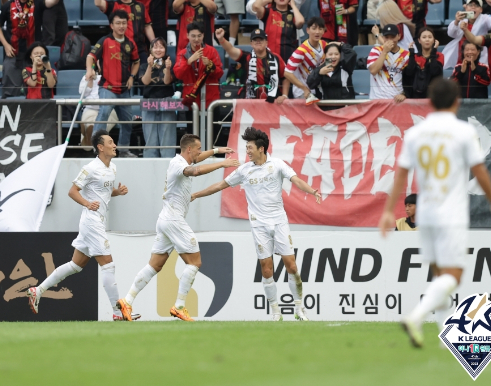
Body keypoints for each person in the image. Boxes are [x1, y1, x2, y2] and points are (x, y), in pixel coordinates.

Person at [378, 78, 491, 347]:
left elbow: (401, 174)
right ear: (457, 101)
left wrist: (389, 211)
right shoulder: (462, 131)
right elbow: (480, 171)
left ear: (431, 102)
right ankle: (416, 316)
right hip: (452, 213)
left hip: (427, 213)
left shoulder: (417, 133)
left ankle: (442, 331)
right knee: (453, 276)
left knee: (439, 275)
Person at [191, 127, 322, 321]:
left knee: (291, 266)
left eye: (250, 147)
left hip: (279, 221)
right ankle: (276, 312)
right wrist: (195, 194)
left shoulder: (277, 164)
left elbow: (296, 180)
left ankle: (299, 308)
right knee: (266, 268)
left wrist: (312, 191)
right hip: (258, 224)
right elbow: (219, 185)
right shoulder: (244, 170)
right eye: (246, 147)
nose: (248, 151)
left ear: (261, 148)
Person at [115, 135, 240, 322]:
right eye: (198, 148)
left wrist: (216, 152)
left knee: (154, 265)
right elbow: (194, 171)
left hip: (165, 219)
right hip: (173, 219)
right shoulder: (178, 164)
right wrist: (221, 164)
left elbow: (197, 160)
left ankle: (127, 300)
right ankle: (179, 306)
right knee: (195, 262)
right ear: (189, 149)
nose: (200, 151)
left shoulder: (181, 159)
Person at [26, 130, 140, 322]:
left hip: (96, 221)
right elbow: (72, 191)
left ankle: (37, 290)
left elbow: (103, 191)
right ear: (100, 147)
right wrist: (87, 203)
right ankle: (118, 311)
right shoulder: (90, 168)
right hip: (91, 221)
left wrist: (117, 192)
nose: (115, 145)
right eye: (110, 142)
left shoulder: (112, 168)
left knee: (75, 265)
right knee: (108, 265)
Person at [86, 10, 140, 158]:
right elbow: (90, 57)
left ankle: (123, 150)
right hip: (107, 87)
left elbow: (136, 62)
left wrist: (132, 77)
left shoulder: (130, 43)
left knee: (127, 122)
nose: (121, 26)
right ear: (112, 25)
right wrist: (88, 70)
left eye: (124, 23)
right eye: (118, 23)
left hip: (124, 89)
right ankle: (97, 149)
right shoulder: (104, 41)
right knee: (103, 115)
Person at [215, 28, 290, 104]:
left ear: (266, 43)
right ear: (251, 44)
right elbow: (230, 49)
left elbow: (286, 77)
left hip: (273, 101)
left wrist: (284, 95)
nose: (258, 41)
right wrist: (221, 39)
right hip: (250, 101)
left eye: (261, 39)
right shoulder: (246, 57)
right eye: (255, 40)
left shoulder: (276, 58)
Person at [140, 37, 176, 158]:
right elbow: (145, 82)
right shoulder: (144, 65)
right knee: (150, 138)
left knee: (167, 137)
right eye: (155, 47)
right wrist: (150, 66)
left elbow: (167, 82)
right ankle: (150, 165)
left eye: (161, 47)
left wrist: (168, 69)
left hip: (166, 100)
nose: (158, 49)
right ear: (150, 50)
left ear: (165, 49)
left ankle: (169, 164)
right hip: (148, 101)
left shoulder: (170, 64)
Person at [0, 0, 38, 98]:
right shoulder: (8, 5)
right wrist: (5, 44)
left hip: (32, 55)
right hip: (13, 52)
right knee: (10, 93)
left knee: (34, 92)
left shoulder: (37, 3)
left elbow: (50, 3)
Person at [173, 22, 223, 109]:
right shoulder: (182, 54)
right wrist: (189, 61)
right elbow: (178, 75)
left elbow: (220, 73)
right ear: (187, 35)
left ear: (203, 35)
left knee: (212, 123)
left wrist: (210, 65)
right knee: (192, 123)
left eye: (199, 36)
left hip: (210, 99)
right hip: (191, 99)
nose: (196, 39)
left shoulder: (212, 51)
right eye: (193, 36)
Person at [442, 0, 491, 70]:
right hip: (460, 53)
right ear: (466, 8)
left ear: (481, 9)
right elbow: (451, 34)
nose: (473, 8)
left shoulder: (485, 19)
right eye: (470, 5)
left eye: (477, 6)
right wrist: (456, 21)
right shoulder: (462, 19)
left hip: (477, 54)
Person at [284, 17, 328, 104]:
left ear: (323, 31)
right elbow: (287, 72)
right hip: (303, 93)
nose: (317, 32)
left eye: (320, 29)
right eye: (314, 28)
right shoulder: (301, 51)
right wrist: (304, 88)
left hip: (318, 90)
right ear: (307, 30)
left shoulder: (324, 45)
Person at [253, 0, 305, 65]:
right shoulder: (268, 12)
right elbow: (256, 6)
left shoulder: (293, 16)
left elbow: (300, 22)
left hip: (289, 59)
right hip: (270, 58)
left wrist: (293, 6)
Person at [367, 24, 410, 102]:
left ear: (399, 36)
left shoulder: (406, 55)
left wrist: (404, 94)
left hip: (397, 100)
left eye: (392, 37)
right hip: (377, 99)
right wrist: (384, 52)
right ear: (383, 37)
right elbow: (373, 70)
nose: (389, 40)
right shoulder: (376, 51)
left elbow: (410, 78)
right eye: (387, 37)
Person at [78, 70, 120, 148]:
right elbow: (83, 93)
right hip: (91, 108)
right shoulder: (86, 77)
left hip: (109, 109)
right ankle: (91, 132)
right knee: (89, 120)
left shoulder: (113, 77)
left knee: (105, 120)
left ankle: (91, 134)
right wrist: (90, 80)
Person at [402, 27, 443, 99]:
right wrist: (411, 54)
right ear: (419, 40)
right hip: (414, 97)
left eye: (430, 37)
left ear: (434, 40)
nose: (427, 39)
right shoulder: (414, 56)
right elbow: (409, 73)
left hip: (432, 97)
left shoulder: (439, 55)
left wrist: (433, 52)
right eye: (424, 37)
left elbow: (435, 71)